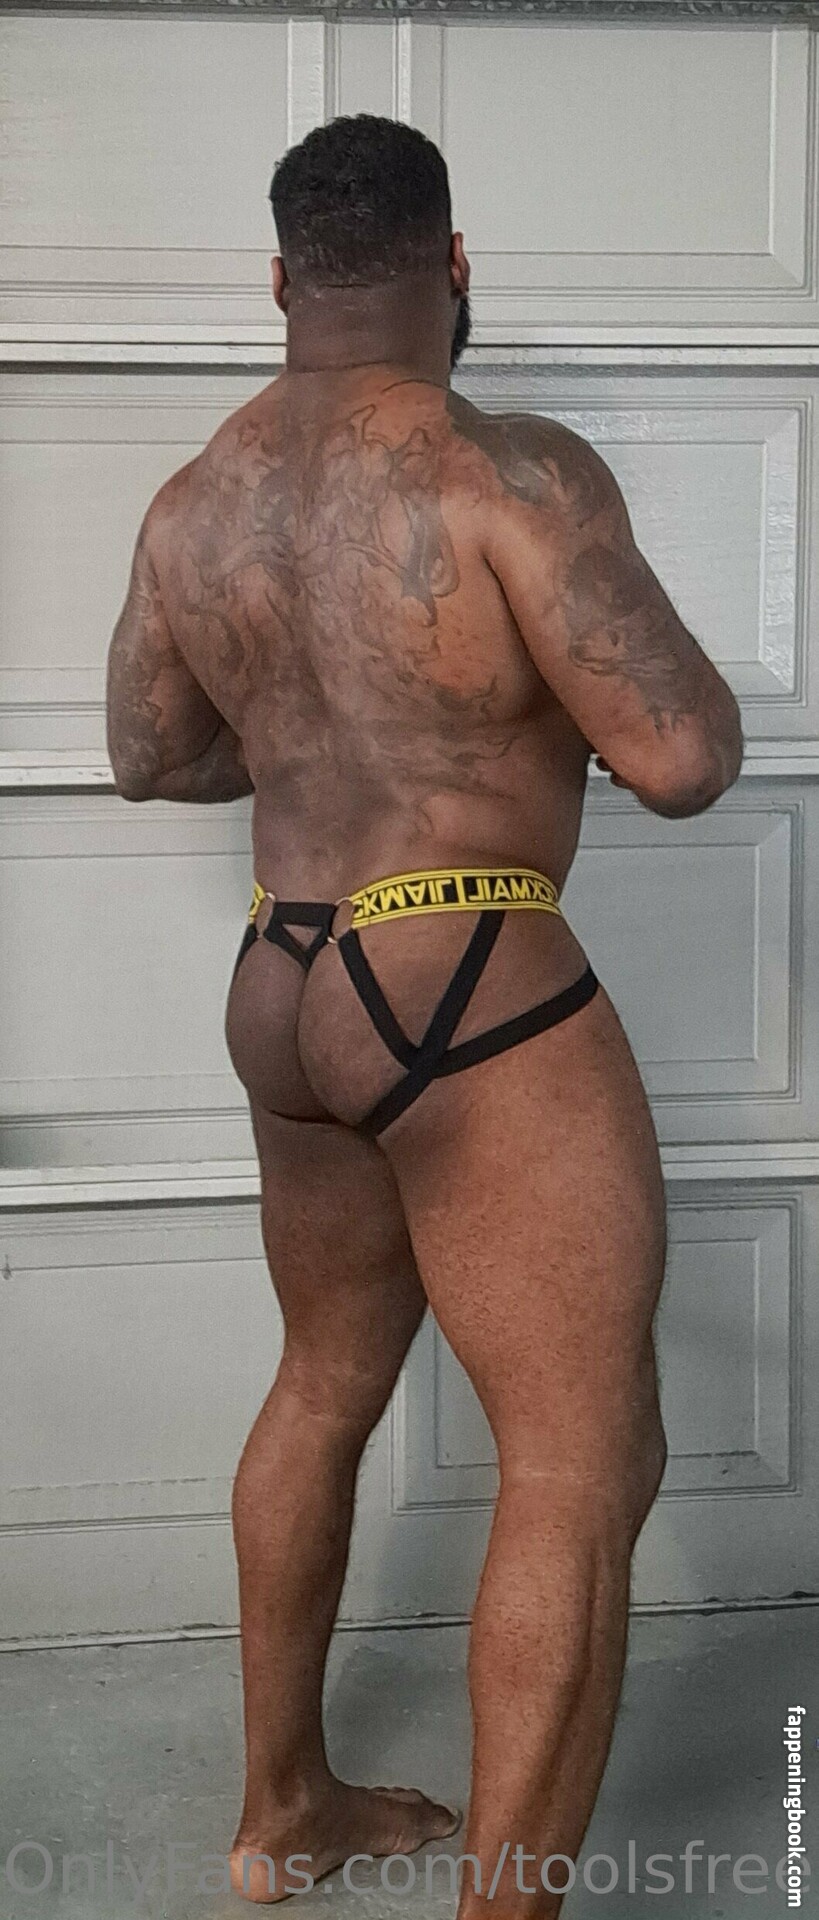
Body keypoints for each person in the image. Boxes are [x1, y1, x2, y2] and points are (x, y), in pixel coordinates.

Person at [105, 114, 744, 1915]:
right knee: (584, 1453)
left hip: (285, 973)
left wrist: (324, 736)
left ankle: (279, 1812)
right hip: (463, 976)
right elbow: (680, 756)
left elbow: (147, 752)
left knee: (320, 1386)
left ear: (281, 279)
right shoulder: (509, 471)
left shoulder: (199, 497)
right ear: (454, 269)